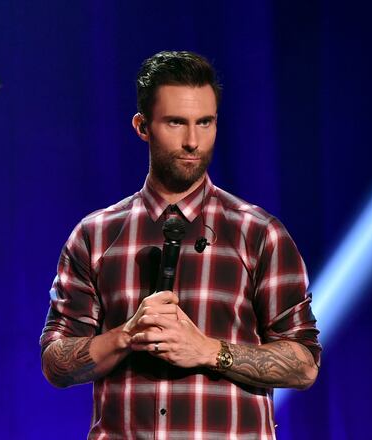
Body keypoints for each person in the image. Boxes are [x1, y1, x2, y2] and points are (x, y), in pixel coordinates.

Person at [40, 51, 321, 438]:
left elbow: (305, 364)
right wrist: (127, 336)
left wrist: (208, 350)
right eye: (176, 123)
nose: (193, 141)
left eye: (205, 123)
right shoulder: (96, 235)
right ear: (142, 126)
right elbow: (55, 363)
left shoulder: (258, 233)